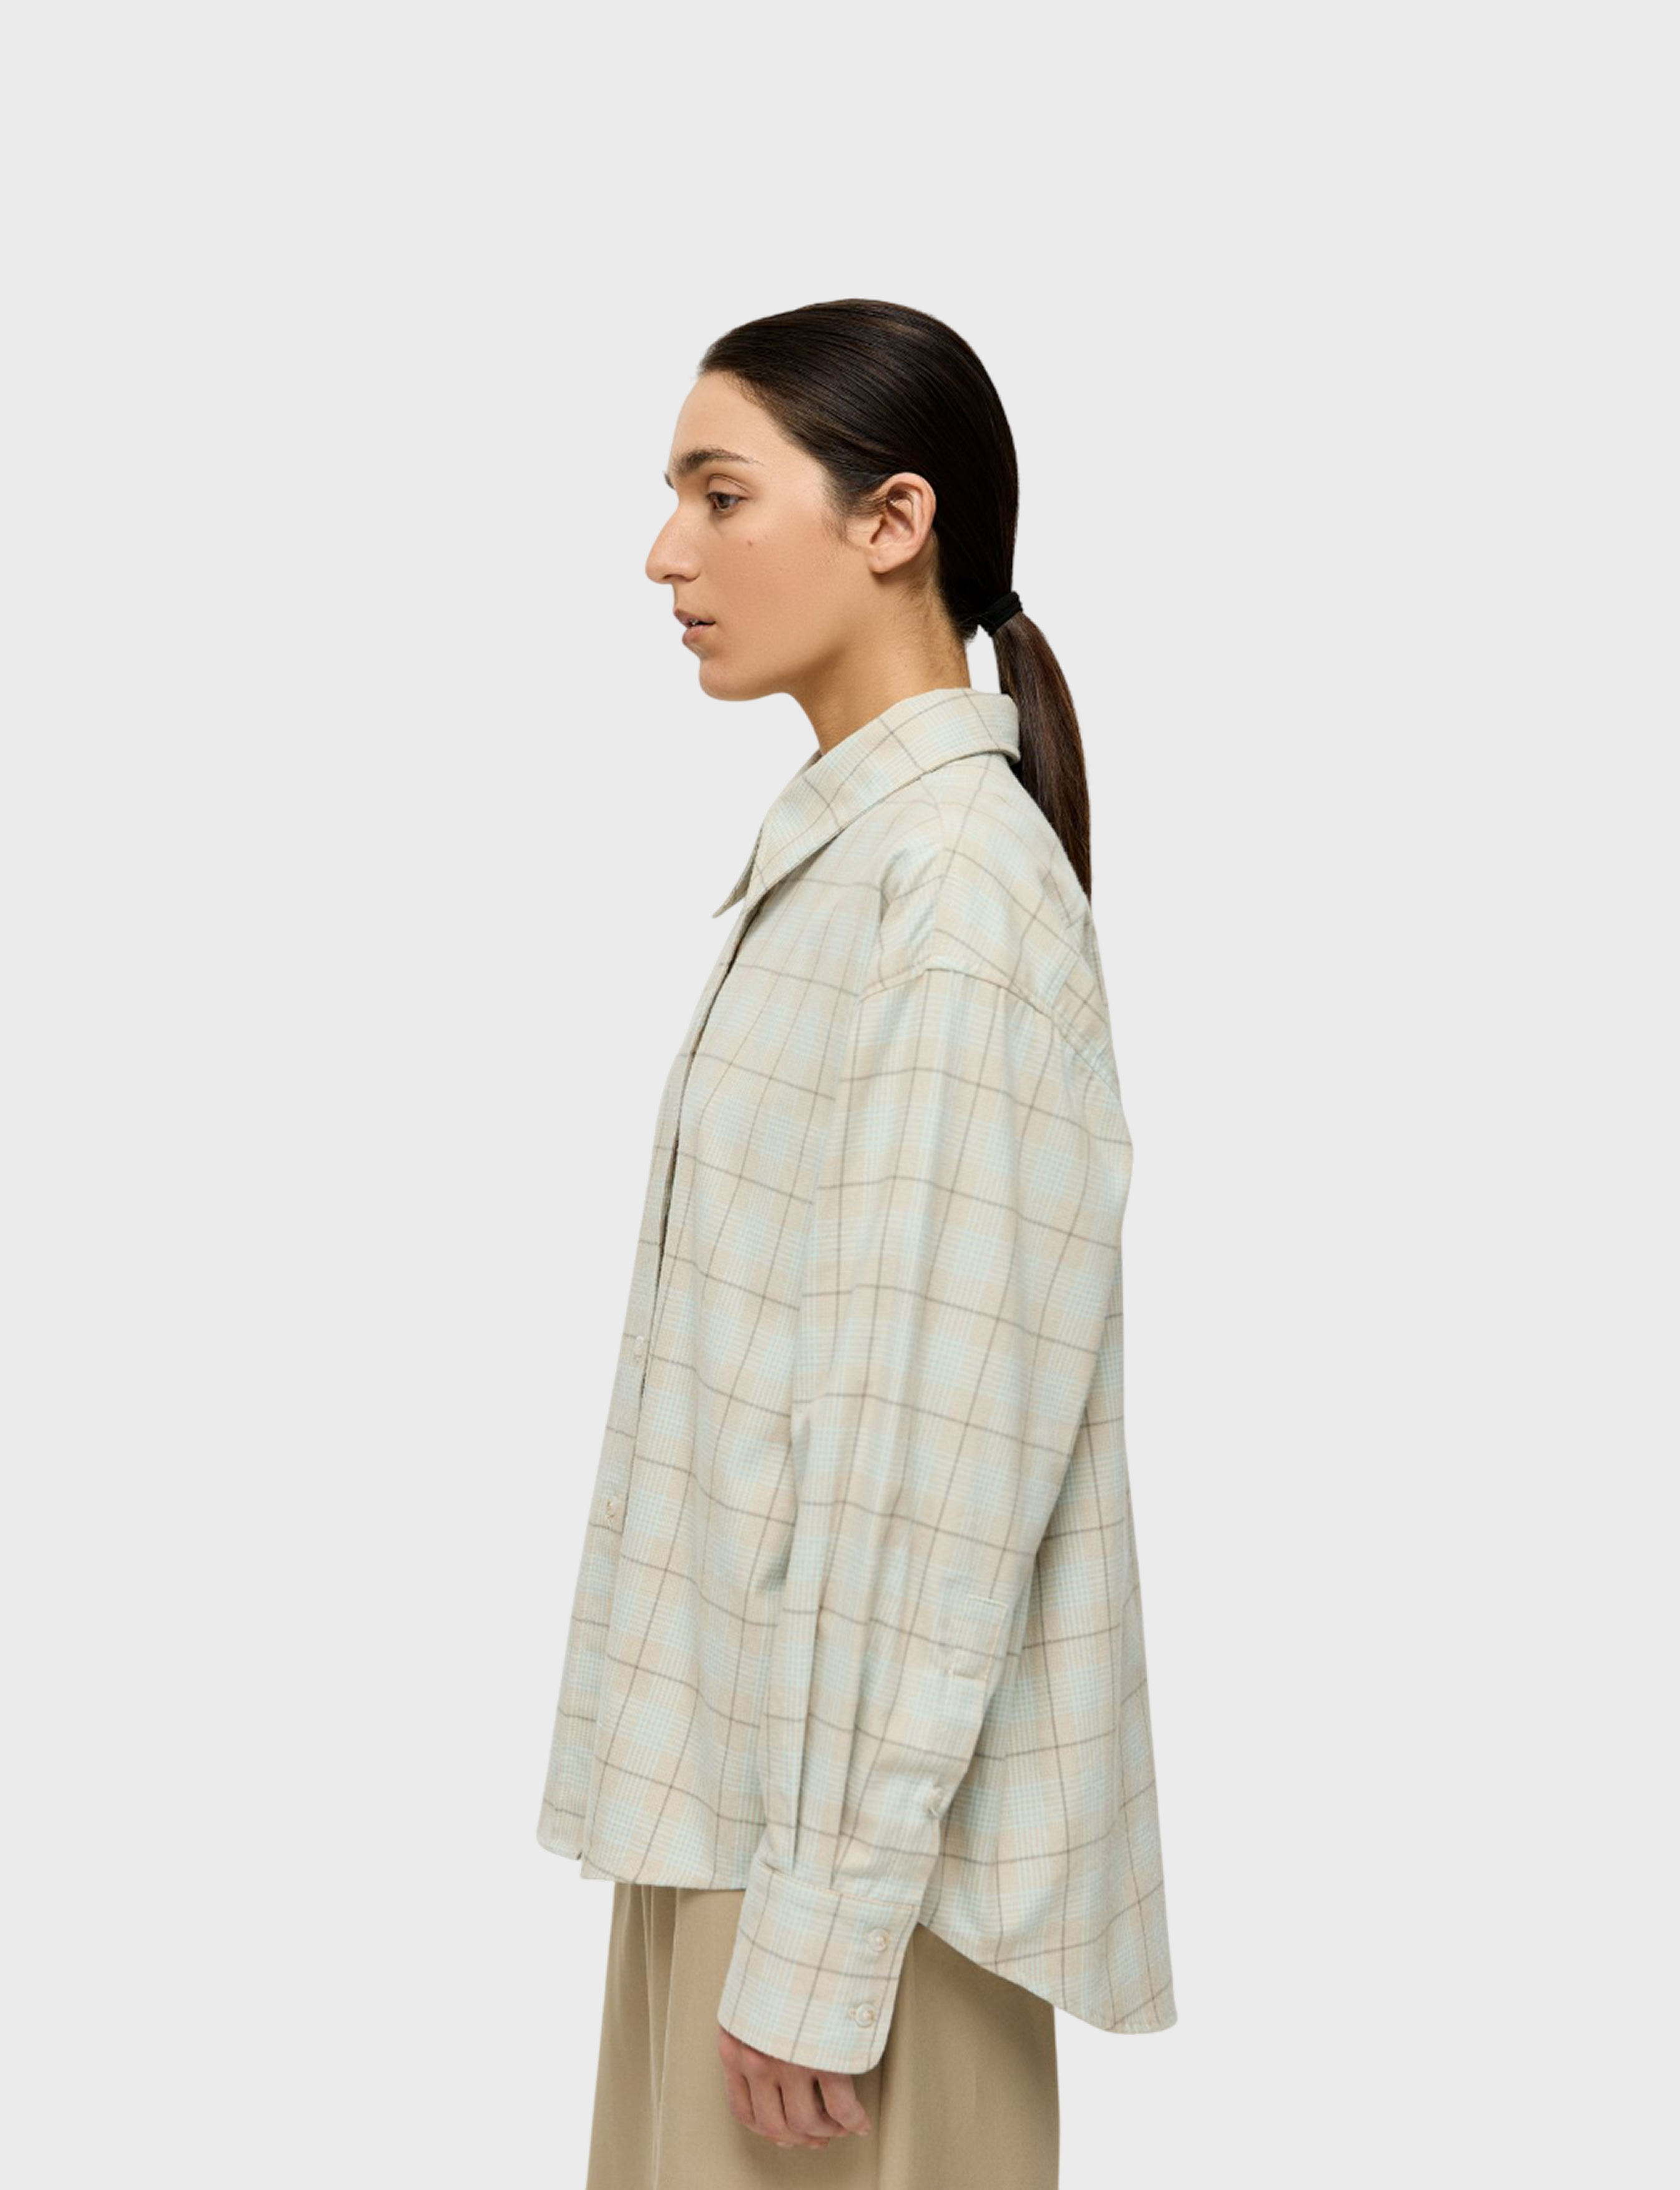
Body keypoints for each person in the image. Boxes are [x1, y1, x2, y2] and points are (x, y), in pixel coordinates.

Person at [534, 298, 1177, 2188]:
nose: (665, 552)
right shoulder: (858, 871)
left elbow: (932, 1475)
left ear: (893, 521)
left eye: (719, 493)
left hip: (850, 1908)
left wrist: (819, 1937)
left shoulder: (953, 903)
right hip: (746, 1838)